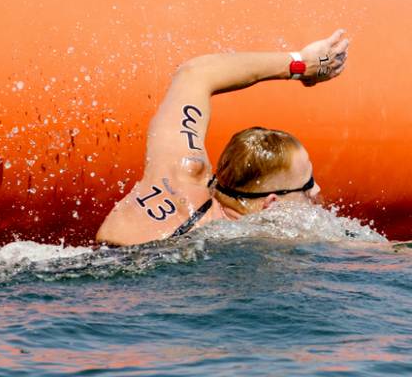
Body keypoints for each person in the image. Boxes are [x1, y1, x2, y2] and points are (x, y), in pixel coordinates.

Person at [96, 30, 350, 246]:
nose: (316, 190)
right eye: (308, 184)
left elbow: (195, 73)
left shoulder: (177, 176)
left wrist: (301, 64)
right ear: (271, 204)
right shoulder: (255, 238)